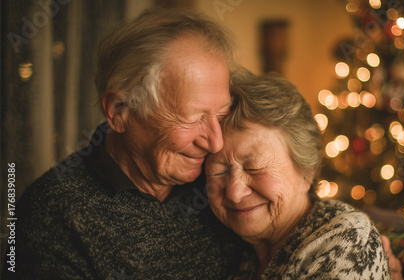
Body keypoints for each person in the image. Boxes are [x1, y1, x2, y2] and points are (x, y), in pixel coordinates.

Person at [3, 8, 242, 279]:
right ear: (119, 111)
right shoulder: (51, 213)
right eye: (192, 118)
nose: (215, 142)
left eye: (221, 115)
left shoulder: (223, 184)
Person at [205, 68, 391, 279]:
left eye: (254, 168)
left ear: (306, 171)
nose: (234, 192)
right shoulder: (238, 250)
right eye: (219, 171)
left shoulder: (346, 241)